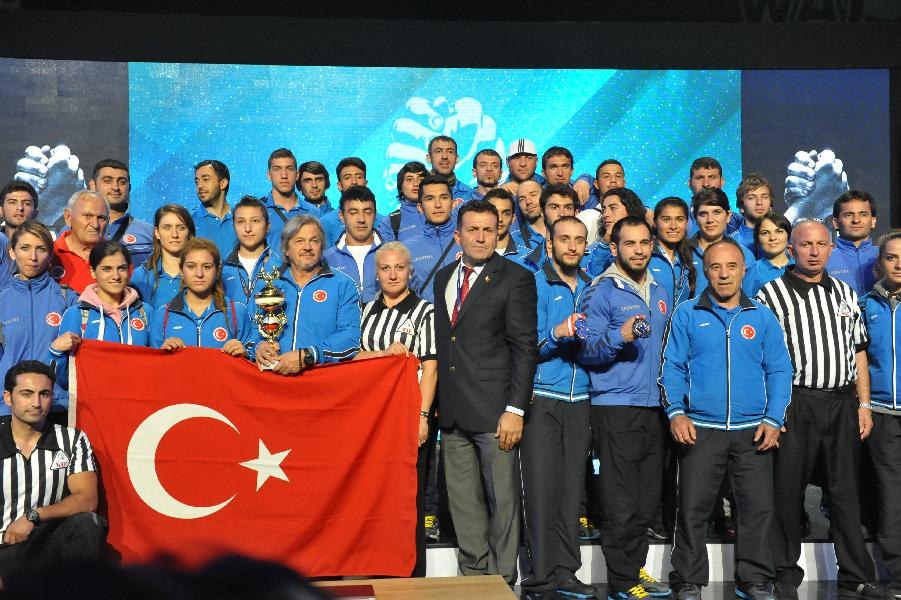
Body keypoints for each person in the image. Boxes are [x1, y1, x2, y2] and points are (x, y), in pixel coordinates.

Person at [756, 220, 887, 600]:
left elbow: (859, 352)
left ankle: (855, 575)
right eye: (805, 244)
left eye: (821, 244)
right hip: (797, 402)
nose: (814, 251)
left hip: (844, 401)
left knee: (846, 491)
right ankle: (784, 571)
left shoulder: (846, 293)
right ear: (792, 249)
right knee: (788, 489)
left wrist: (864, 404)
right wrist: (774, 412)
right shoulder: (771, 294)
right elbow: (763, 358)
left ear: (831, 248)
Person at [660, 239, 792, 600]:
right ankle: (687, 577)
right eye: (715, 267)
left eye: (731, 266)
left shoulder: (762, 316)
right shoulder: (687, 313)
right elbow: (671, 367)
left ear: (742, 270)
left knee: (757, 509)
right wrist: (676, 412)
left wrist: (773, 417)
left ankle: (755, 578)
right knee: (692, 508)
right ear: (706, 272)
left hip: (753, 431)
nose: (723, 274)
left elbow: (780, 370)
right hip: (701, 429)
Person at [433, 201, 537, 586]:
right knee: (464, 505)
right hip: (454, 411)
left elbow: (525, 348)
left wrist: (515, 409)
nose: (480, 237)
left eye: (488, 230)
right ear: (457, 235)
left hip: (497, 414)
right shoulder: (443, 277)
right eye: (472, 230)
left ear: (498, 234)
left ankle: (503, 581)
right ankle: (473, 581)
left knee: (503, 503)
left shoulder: (516, 278)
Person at [579, 216, 672, 600]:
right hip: (615, 406)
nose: (638, 250)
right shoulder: (600, 292)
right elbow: (586, 348)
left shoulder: (661, 287)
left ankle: (636, 570)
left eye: (644, 243)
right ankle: (621, 580)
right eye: (630, 243)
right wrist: (620, 334)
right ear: (614, 248)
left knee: (646, 499)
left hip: (656, 407)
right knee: (619, 499)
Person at [519, 216, 594, 600]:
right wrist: (557, 332)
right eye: (564, 239)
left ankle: (566, 572)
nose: (571, 246)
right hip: (543, 399)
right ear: (549, 243)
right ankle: (539, 577)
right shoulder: (534, 285)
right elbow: (524, 347)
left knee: (570, 494)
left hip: (580, 401)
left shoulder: (593, 288)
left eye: (578, 240)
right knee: (541, 491)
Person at [353, 241, 437, 578]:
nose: (392, 274)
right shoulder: (366, 310)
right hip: (371, 421)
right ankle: (375, 566)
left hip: (406, 418)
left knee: (407, 498)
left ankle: (411, 573)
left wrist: (422, 417)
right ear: (376, 273)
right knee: (375, 493)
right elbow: (354, 358)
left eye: (399, 268)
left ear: (410, 271)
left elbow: (430, 369)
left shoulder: (424, 312)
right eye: (385, 268)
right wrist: (383, 355)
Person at [0, 360, 106, 583]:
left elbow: (87, 500)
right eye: (27, 394)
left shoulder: (72, 439)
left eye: (44, 394)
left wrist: (34, 516)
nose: (36, 403)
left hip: (47, 544)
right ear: (8, 398)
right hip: (4, 549)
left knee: (88, 524)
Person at [252, 215, 361, 374]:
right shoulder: (270, 286)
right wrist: (258, 346)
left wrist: (308, 355)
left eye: (314, 241)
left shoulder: (343, 285)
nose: (308, 247)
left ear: (321, 247)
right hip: (273, 381)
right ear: (286, 249)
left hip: (320, 382)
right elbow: (251, 330)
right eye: (299, 241)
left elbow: (350, 338)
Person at [48, 241, 152, 386]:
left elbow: (156, 367)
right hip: (94, 405)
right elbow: (65, 381)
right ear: (92, 271)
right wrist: (55, 353)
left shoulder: (145, 312)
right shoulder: (78, 314)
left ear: (129, 270)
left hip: (137, 401)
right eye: (107, 269)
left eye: (121, 268)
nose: (115, 276)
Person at [0, 221, 76, 418]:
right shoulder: (2, 300)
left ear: (50, 256)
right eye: (25, 248)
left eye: (41, 249)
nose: (33, 257)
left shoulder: (68, 298)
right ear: (12, 252)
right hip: (8, 408)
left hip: (56, 405)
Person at [861, 230, 901, 600]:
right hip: (884, 415)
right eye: (892, 257)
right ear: (880, 264)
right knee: (891, 498)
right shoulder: (865, 305)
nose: (899, 264)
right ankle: (898, 576)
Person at [150, 238, 251, 355]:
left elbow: (251, 363)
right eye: (191, 266)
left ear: (218, 271)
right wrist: (162, 355)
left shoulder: (236, 313)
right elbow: (153, 367)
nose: (199, 274)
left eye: (207, 267)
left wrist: (245, 354)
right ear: (181, 270)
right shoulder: (163, 315)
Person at [687, 189, 759, 298]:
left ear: (728, 216)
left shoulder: (744, 255)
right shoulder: (682, 252)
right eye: (703, 214)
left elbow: (749, 302)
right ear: (695, 218)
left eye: (717, 212)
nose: (710, 220)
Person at [88, 159, 154, 266]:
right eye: (107, 180)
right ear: (93, 185)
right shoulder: (73, 230)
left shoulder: (149, 233)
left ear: (129, 187)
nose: (115, 187)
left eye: (122, 182)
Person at [322, 185, 382, 303]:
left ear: (375, 215)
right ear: (341, 216)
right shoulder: (327, 259)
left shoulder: (391, 254)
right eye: (353, 212)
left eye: (367, 212)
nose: (361, 219)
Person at [406, 175, 460, 304]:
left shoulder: (470, 242)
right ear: (420, 207)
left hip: (467, 320)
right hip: (426, 321)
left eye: (444, 197)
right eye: (430, 199)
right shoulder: (406, 250)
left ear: (453, 204)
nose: (438, 205)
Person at [131, 205, 196, 310]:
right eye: (167, 227)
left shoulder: (201, 273)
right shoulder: (141, 276)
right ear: (157, 232)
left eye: (181, 227)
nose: (174, 234)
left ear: (189, 233)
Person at [221, 196, 281, 306]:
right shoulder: (221, 269)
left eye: (255, 221)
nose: (248, 228)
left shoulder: (280, 267)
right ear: (233, 226)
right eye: (241, 221)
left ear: (267, 226)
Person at [262, 149, 319, 251]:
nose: (284, 175)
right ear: (269, 175)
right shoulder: (258, 211)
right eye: (277, 169)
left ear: (297, 175)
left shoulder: (314, 213)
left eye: (289, 169)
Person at [53, 191, 109, 293]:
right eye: (87, 216)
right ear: (68, 217)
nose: (95, 225)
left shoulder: (118, 258)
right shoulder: (48, 255)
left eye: (101, 218)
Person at [827, 190, 879, 296]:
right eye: (848, 215)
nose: (856, 220)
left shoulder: (886, 255)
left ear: (873, 221)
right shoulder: (823, 258)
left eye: (863, 214)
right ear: (836, 223)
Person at [585, 187, 646, 277]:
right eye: (603, 210)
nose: (605, 214)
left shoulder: (649, 246)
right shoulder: (592, 251)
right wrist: (605, 245)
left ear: (630, 209)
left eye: (613, 208)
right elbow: (590, 278)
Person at [517, 184, 579, 273]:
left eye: (568, 208)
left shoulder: (588, 257)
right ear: (542, 212)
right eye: (554, 207)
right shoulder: (526, 262)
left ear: (576, 213)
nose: (562, 213)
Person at [649, 197, 696, 309]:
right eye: (666, 220)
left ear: (687, 223)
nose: (673, 226)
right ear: (655, 222)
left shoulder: (687, 256)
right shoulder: (645, 254)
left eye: (679, 219)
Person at [685, 157, 742, 236]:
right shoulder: (679, 220)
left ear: (722, 182)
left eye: (712, 177)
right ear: (690, 183)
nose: (706, 184)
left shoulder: (739, 222)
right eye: (700, 178)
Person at [192, 159, 237, 254]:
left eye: (205, 179)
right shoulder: (189, 223)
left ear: (223, 183)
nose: (199, 186)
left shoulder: (241, 219)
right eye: (197, 182)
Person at [328, 157, 375, 247]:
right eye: (347, 177)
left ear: (366, 183)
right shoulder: (326, 222)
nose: (354, 182)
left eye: (359, 177)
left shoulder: (383, 222)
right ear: (339, 185)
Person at [0, 181, 39, 289]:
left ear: (35, 213)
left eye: (26, 203)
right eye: (12, 202)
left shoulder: (45, 248)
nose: (20, 208)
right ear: (1, 210)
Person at [377, 161, 428, 243]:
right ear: (401, 187)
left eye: (421, 179)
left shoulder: (441, 213)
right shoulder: (389, 222)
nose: (416, 184)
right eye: (409, 179)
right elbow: (386, 253)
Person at [578, 159, 626, 242]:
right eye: (606, 176)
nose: (613, 180)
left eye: (618, 176)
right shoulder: (585, 217)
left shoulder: (637, 214)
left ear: (624, 183)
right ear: (596, 184)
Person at [729, 174, 773, 257]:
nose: (759, 202)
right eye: (751, 198)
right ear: (741, 207)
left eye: (764, 197)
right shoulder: (730, 243)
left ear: (771, 205)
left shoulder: (784, 239)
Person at [425, 136, 471, 202]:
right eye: (438, 151)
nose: (444, 156)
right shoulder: (416, 191)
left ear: (457, 159)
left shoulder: (470, 195)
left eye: (450, 152)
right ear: (429, 158)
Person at [484, 188, 526, 260]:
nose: (500, 219)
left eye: (506, 214)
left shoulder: (526, 258)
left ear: (513, 218)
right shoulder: (471, 257)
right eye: (494, 212)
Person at [754, 212, 793, 288]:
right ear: (757, 239)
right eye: (765, 233)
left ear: (788, 236)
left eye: (779, 232)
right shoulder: (752, 271)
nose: (772, 238)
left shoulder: (801, 267)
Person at [511, 180, 547, 255]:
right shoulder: (514, 241)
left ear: (544, 197)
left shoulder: (561, 231)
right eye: (522, 199)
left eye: (533, 195)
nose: (528, 202)